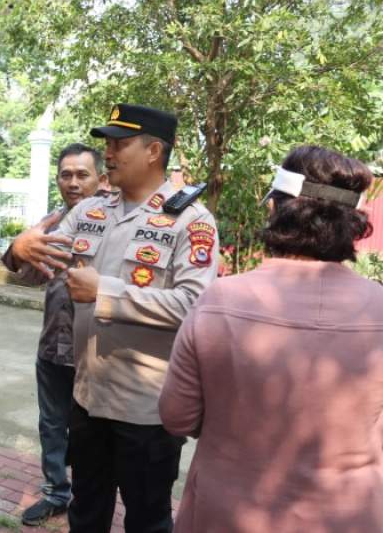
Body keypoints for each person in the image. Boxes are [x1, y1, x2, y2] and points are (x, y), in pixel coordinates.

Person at [9, 104, 218, 533]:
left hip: (147, 411)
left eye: (120, 144)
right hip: (88, 399)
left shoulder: (190, 221)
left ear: (154, 151)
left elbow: (195, 306)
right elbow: (36, 265)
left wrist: (105, 292)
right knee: (86, 513)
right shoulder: (91, 211)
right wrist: (18, 250)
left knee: (147, 520)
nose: (108, 153)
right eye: (107, 143)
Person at [160, 145, 383, 533]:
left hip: (229, 514)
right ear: (352, 224)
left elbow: (177, 416)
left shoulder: (220, 300)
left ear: (274, 208)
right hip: (350, 517)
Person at [2, 143, 107, 525]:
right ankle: (56, 492)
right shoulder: (52, 225)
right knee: (51, 426)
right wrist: (17, 250)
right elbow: (27, 276)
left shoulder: (116, 225)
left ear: (102, 179)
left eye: (82, 175)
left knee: (93, 434)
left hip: (95, 353)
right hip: (52, 347)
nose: (73, 182)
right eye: (66, 175)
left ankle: (90, 501)